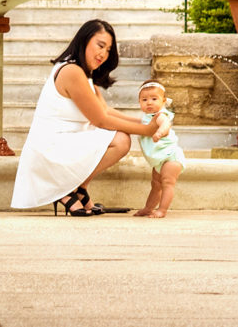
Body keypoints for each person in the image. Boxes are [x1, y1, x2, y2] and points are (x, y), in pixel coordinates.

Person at [10, 18, 158, 216]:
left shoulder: (84, 73)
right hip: (50, 148)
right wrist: (147, 131)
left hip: (63, 142)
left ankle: (77, 189)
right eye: (100, 45)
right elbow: (101, 120)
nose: (103, 54)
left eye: (108, 50)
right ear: (84, 40)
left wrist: (146, 121)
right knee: (121, 140)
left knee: (121, 136)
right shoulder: (71, 71)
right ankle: (67, 190)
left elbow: (105, 110)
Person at [133, 80, 186, 218]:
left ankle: (162, 210)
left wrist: (159, 133)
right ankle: (148, 208)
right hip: (159, 160)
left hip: (170, 157)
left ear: (163, 101)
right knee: (156, 185)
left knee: (167, 183)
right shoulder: (146, 118)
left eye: (154, 99)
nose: (149, 102)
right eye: (144, 100)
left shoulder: (160, 115)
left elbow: (165, 124)